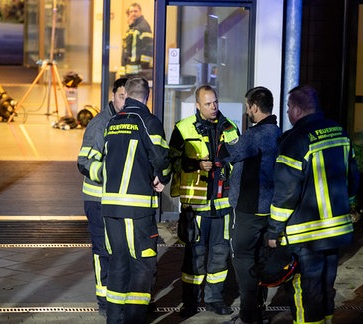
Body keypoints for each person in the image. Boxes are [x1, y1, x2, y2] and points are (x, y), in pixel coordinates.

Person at [267, 85, 360, 324]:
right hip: (336, 231)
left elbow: (286, 193)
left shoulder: (295, 140)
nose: (287, 112)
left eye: (288, 107)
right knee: (326, 288)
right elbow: (353, 177)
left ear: (297, 109)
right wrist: (345, 204)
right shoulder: (339, 132)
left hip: (305, 236)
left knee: (306, 294)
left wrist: (274, 230)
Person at [98, 77, 171, 324]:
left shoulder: (112, 123)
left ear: (127, 95)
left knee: (118, 261)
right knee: (142, 263)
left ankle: (113, 319)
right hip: (136, 208)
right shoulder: (148, 121)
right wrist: (163, 177)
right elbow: (161, 157)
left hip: (110, 207)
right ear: (146, 97)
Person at [169, 84, 240, 317]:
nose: (213, 107)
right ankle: (189, 302)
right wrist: (196, 164)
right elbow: (172, 163)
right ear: (197, 105)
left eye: (215, 102)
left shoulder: (230, 128)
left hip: (222, 204)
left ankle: (214, 299)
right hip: (196, 205)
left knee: (220, 255)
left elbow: (239, 162)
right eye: (208, 103)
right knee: (194, 257)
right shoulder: (182, 128)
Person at [222, 87, 281, 324]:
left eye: (247, 106)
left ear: (254, 107)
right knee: (260, 260)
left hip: (248, 209)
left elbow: (232, 152)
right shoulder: (279, 133)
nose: (247, 110)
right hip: (270, 209)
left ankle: (248, 316)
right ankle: (258, 311)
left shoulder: (256, 134)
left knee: (244, 259)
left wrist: (226, 132)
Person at [76, 77, 128, 317]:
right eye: (121, 96)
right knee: (102, 251)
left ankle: (118, 295)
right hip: (97, 199)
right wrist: (111, 173)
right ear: (113, 95)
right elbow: (84, 162)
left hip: (118, 200)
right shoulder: (100, 124)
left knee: (119, 250)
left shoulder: (130, 120)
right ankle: (104, 300)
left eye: (129, 97)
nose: (125, 101)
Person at [121, 3, 153, 78]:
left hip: (138, 69)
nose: (133, 14)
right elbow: (127, 48)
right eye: (131, 12)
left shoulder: (144, 26)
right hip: (130, 68)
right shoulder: (132, 27)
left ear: (140, 12)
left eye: (135, 11)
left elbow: (148, 47)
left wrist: (144, 67)